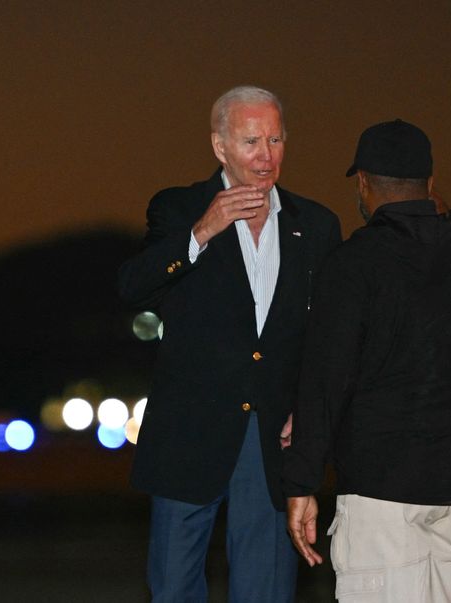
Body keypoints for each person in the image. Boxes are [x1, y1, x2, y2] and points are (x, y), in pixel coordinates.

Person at [118, 85, 342, 602]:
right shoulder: (178, 209)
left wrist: (308, 411)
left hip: (271, 443)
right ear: (220, 146)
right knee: (174, 589)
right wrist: (203, 230)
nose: (266, 155)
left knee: (265, 591)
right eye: (251, 141)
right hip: (187, 436)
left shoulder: (317, 225)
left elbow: (327, 336)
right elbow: (134, 286)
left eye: (276, 139)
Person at [283, 119, 451, 602]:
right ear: (431, 185)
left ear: (364, 183)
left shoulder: (353, 264)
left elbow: (324, 379)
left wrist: (301, 482)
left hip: (381, 492)